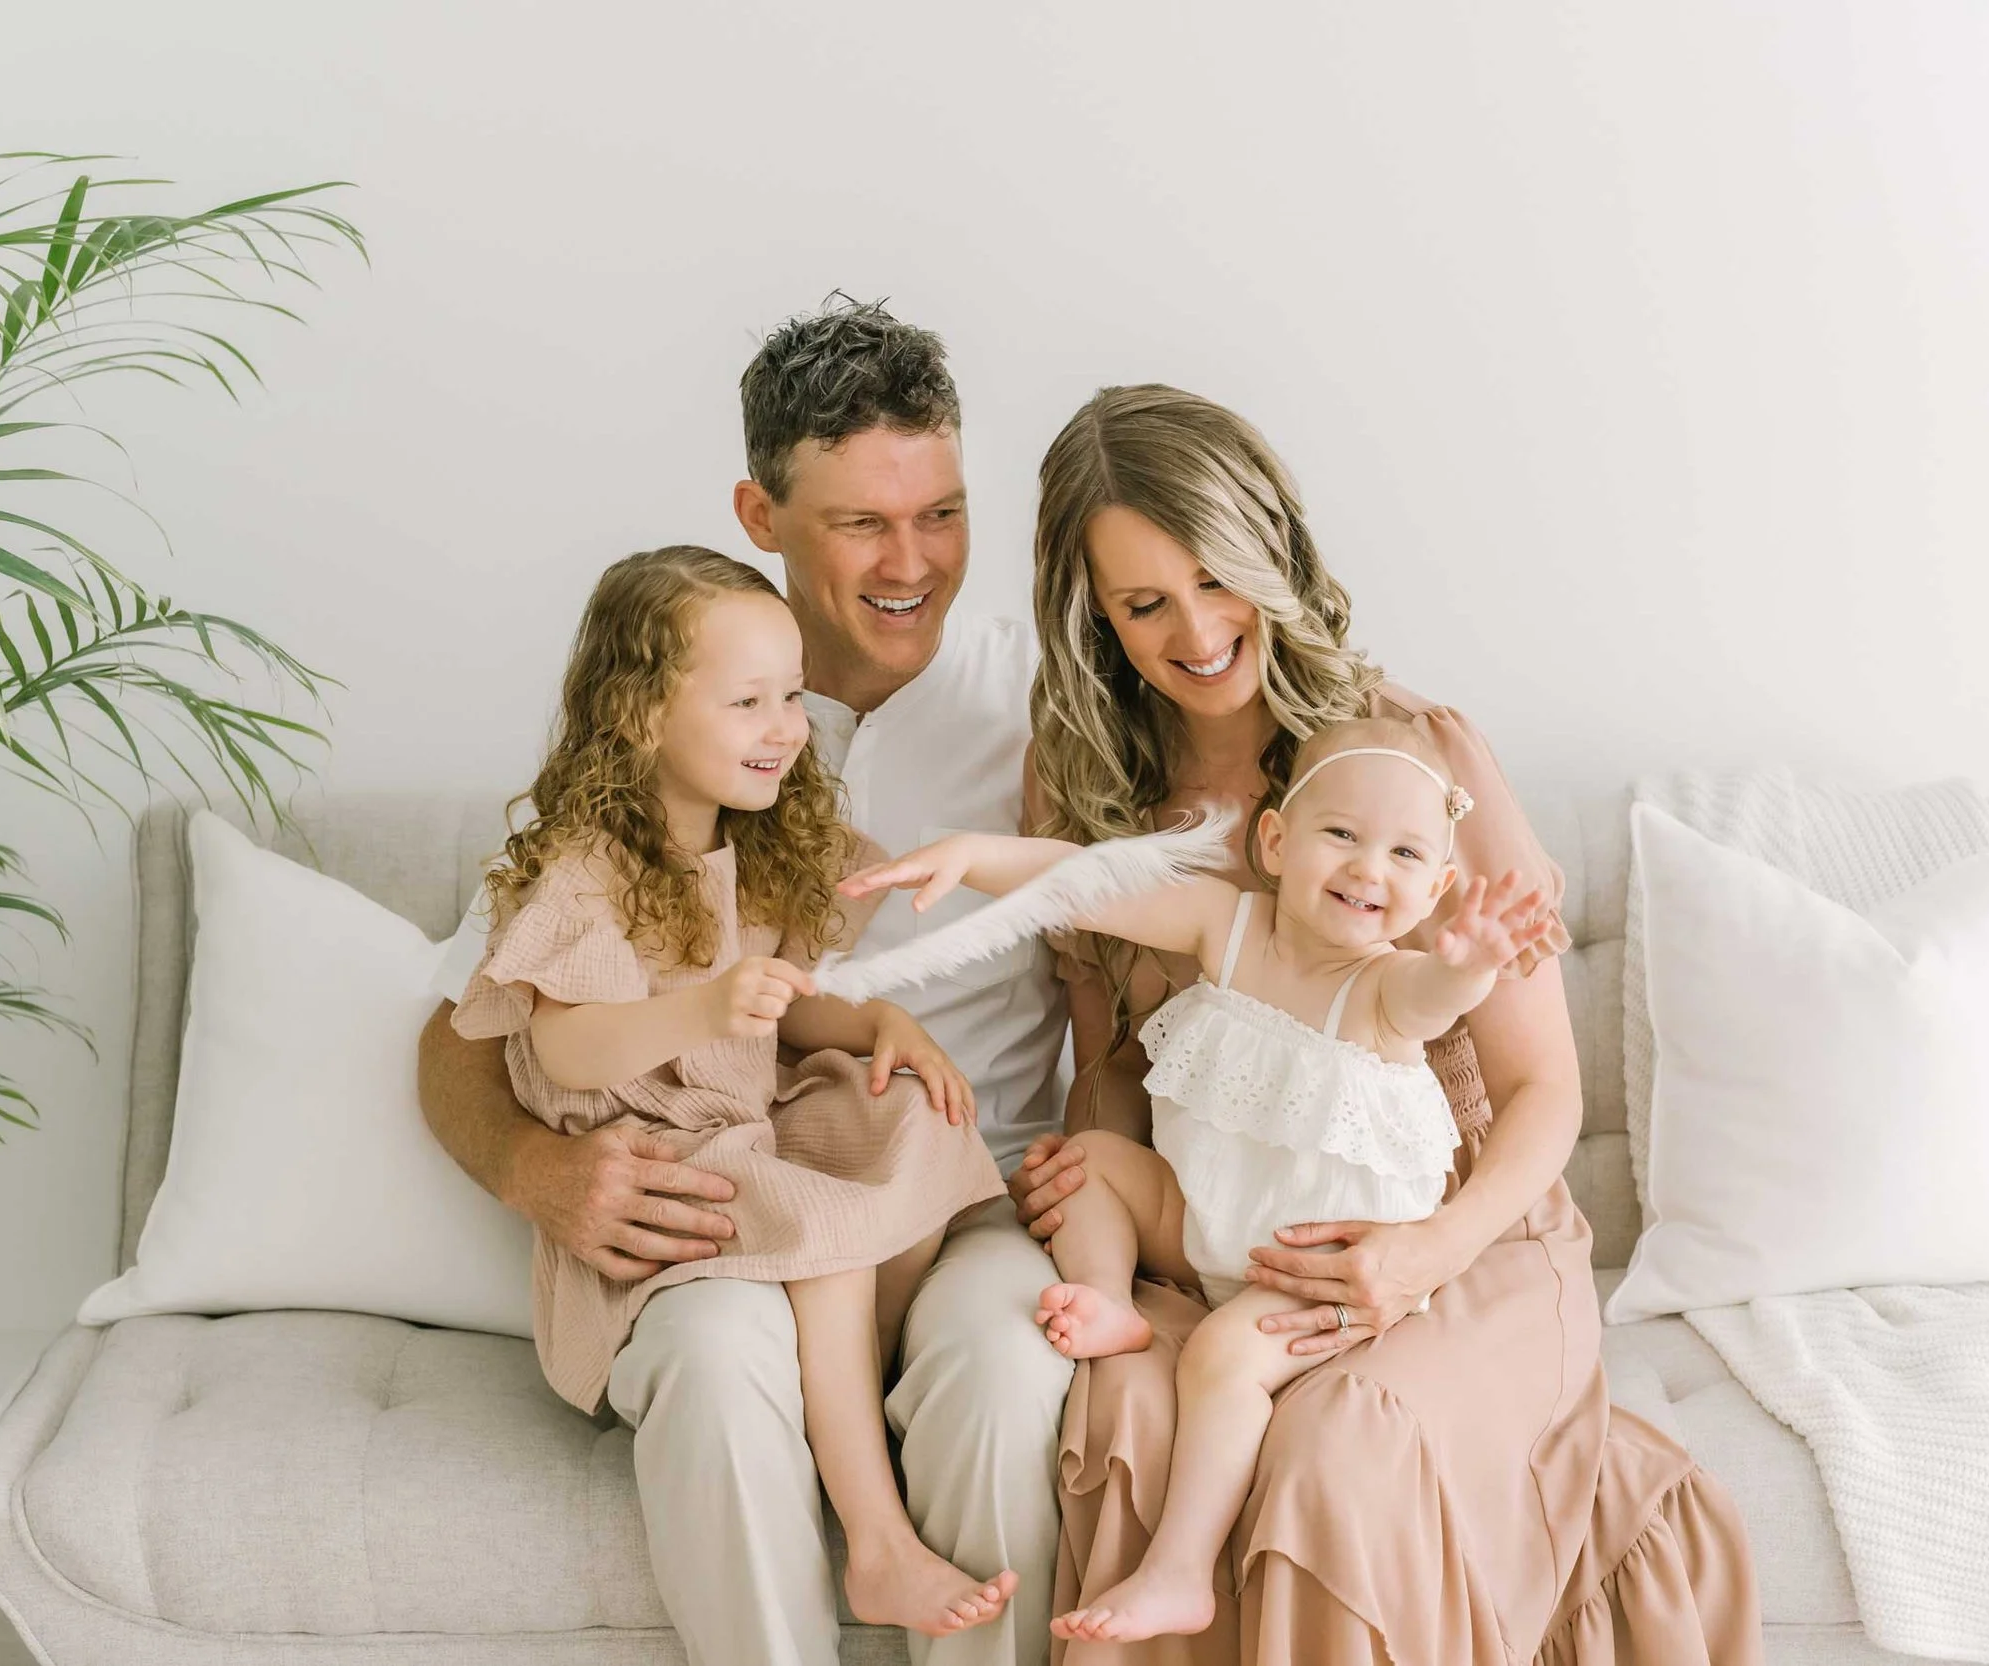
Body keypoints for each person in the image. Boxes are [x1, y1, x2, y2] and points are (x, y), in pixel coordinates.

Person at [1007, 384, 1762, 1662]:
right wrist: (1087, 1177)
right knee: (1131, 1413)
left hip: (1461, 1241)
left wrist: (1423, 1253)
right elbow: (1114, 1071)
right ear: (1093, 616)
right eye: (1143, 604)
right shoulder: (1078, 784)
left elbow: (1545, 1093)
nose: (1196, 631)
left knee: (1334, 1445)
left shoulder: (1414, 762)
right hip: (1227, 1236)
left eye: (1217, 578)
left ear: (1273, 554)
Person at [416, 302, 1076, 1666]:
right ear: (760, 514)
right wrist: (539, 1170)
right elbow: (465, 1031)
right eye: (862, 524)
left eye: (942, 514)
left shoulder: (1044, 710)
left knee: (1008, 1369)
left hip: (964, 1197)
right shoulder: (672, 710)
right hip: (723, 1201)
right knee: (720, 1359)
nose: (911, 563)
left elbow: (1169, 929)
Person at [848, 718, 1558, 1643]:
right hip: (1204, 1217)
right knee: (1094, 1162)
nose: (1367, 868)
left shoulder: (1390, 987)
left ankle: (1180, 1569)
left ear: (1435, 890)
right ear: (1277, 841)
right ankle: (1108, 1301)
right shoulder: (1226, 925)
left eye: (1405, 854)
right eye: (1341, 834)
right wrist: (975, 857)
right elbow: (1095, 882)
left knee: (1222, 1357)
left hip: (1313, 1268)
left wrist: (1471, 966)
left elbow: (1436, 998)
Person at [454, 544, 1016, 1633]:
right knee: (823, 1221)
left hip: (740, 1132)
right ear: (640, 714)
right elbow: (567, 1049)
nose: (786, 727)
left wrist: (877, 1024)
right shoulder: (587, 870)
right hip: (657, 1160)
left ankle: (841, 1380)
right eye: (748, 701)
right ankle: (879, 1539)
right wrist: (703, 1011)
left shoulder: (750, 846)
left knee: (910, 1112)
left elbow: (784, 1009)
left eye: (792, 696)